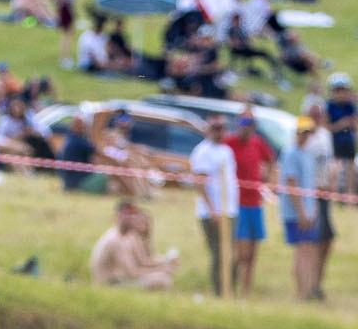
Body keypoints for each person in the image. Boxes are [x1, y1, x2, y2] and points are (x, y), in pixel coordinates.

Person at [187, 116, 238, 297]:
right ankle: (220, 292)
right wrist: (212, 210)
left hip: (229, 210)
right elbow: (200, 183)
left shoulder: (226, 150)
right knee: (219, 253)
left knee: (230, 252)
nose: (219, 131)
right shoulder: (203, 151)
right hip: (213, 212)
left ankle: (230, 290)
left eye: (222, 127)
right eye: (215, 127)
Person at [226, 113, 275, 296]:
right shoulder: (230, 143)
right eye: (243, 123)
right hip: (238, 203)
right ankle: (232, 286)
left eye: (249, 123)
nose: (245, 127)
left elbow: (270, 159)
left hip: (255, 203)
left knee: (253, 253)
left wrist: (266, 177)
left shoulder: (257, 143)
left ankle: (246, 291)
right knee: (242, 253)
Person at [276, 115, 321, 300]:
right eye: (302, 132)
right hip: (295, 212)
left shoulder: (306, 154)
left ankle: (308, 290)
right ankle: (301, 293)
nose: (305, 136)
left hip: (308, 211)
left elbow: (310, 184)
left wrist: (313, 209)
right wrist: (302, 212)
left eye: (308, 132)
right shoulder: (291, 153)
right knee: (302, 251)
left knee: (308, 250)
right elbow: (291, 184)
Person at [90, 201, 178, 289]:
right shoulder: (116, 240)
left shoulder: (125, 236)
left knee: (161, 276)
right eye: (127, 214)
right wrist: (161, 269)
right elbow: (132, 273)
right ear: (117, 216)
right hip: (110, 285)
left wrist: (164, 262)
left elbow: (142, 261)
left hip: (116, 280)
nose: (131, 218)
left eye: (134, 214)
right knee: (162, 279)